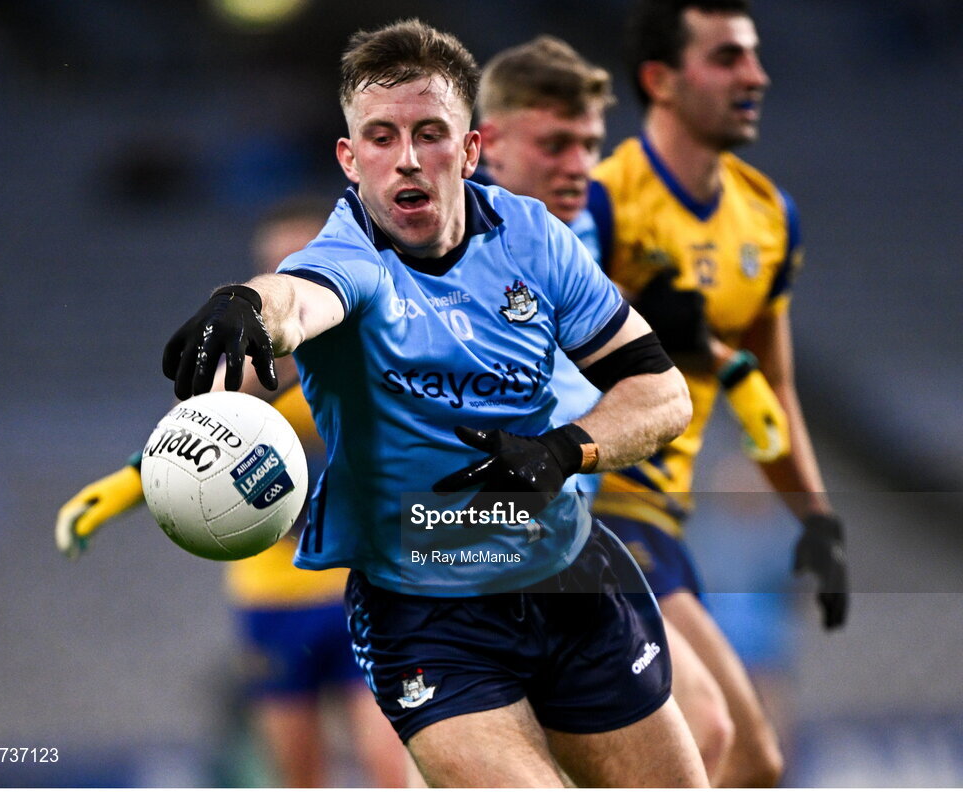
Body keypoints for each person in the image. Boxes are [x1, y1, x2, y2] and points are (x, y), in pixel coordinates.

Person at [160, 18, 706, 788]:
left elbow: (658, 393)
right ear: (351, 159)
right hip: (426, 616)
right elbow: (298, 300)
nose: (407, 158)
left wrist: (562, 451)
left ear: (473, 149)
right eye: (380, 137)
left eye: (430, 132)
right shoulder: (347, 260)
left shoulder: (534, 240)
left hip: (571, 579)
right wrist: (248, 304)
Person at [56, 199, 409, 788]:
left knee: (391, 764)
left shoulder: (377, 342)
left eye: (299, 260)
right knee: (296, 776)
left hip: (364, 587)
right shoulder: (241, 360)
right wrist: (133, 478)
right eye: (271, 263)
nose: (283, 276)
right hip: (269, 595)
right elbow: (193, 423)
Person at [590, 0, 849, 786]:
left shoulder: (769, 218)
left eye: (755, 56)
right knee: (715, 739)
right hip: (592, 511)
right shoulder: (602, 202)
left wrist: (813, 515)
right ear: (660, 80)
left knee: (753, 759)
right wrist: (642, 329)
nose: (756, 76)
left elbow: (772, 384)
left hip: (660, 518)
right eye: (729, 58)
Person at [476, 34, 739, 782]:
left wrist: (655, 312)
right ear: (487, 142)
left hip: (568, 526)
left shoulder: (578, 224)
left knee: (707, 735)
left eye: (589, 143)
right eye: (555, 143)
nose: (577, 165)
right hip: (477, 540)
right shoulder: (450, 239)